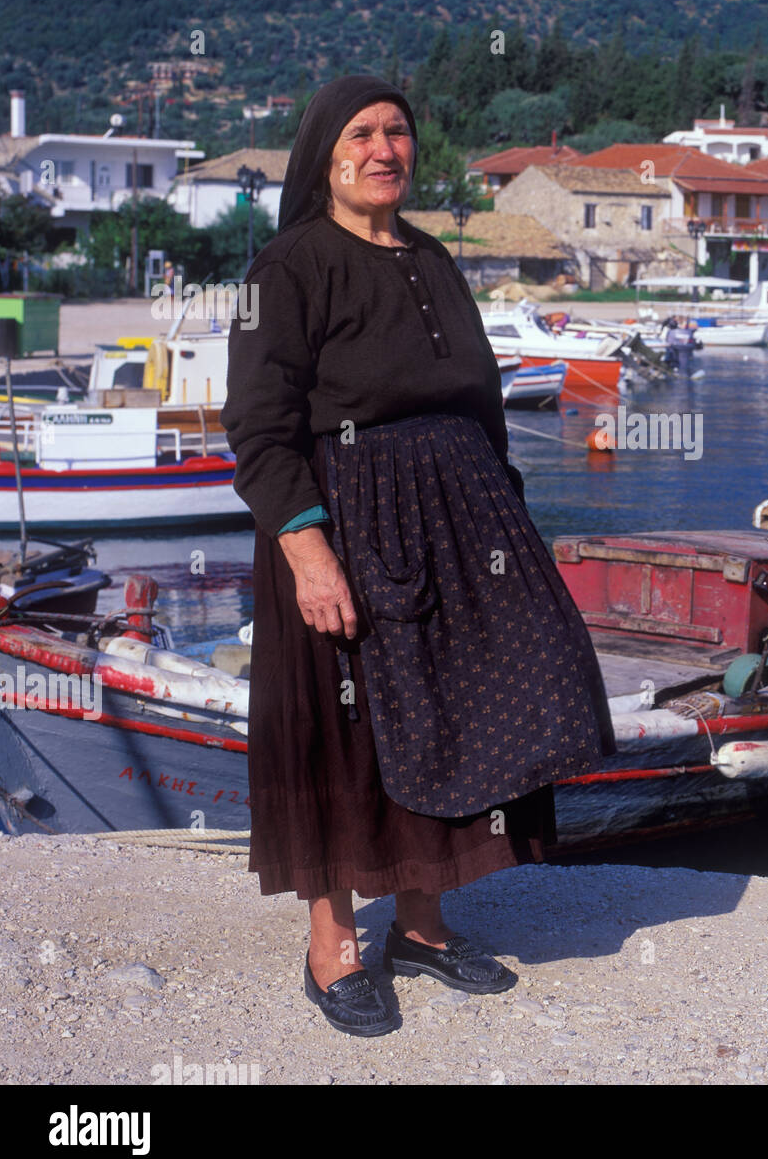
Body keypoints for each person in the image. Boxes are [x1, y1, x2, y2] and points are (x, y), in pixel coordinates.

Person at [220, 75, 616, 1038]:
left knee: (460, 714)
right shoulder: (283, 268)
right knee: (344, 736)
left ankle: (425, 927)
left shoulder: (433, 256)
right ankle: (333, 948)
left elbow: (479, 401)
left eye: (399, 131)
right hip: (343, 523)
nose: (385, 148)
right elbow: (258, 430)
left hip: (458, 522)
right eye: (363, 133)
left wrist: (506, 523)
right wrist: (310, 555)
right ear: (326, 153)